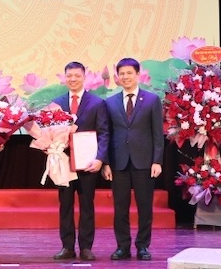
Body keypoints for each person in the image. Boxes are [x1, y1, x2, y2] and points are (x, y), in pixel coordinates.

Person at [101, 58, 164, 261]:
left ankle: (143, 246)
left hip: (144, 162)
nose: (126, 77)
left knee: (145, 207)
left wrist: (157, 161)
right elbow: (106, 134)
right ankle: (123, 246)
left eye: (130, 73)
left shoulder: (152, 100)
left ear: (138, 75)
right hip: (118, 162)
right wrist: (106, 162)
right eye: (122, 73)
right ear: (117, 77)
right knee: (120, 208)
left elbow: (157, 134)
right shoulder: (109, 102)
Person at [51, 61, 109, 261]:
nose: (73, 79)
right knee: (65, 205)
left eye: (77, 76)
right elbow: (49, 132)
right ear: (64, 77)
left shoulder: (96, 103)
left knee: (87, 204)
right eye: (69, 76)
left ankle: (86, 247)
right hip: (64, 162)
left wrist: (101, 159)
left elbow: (104, 133)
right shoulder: (56, 102)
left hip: (88, 163)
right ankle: (67, 247)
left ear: (84, 77)